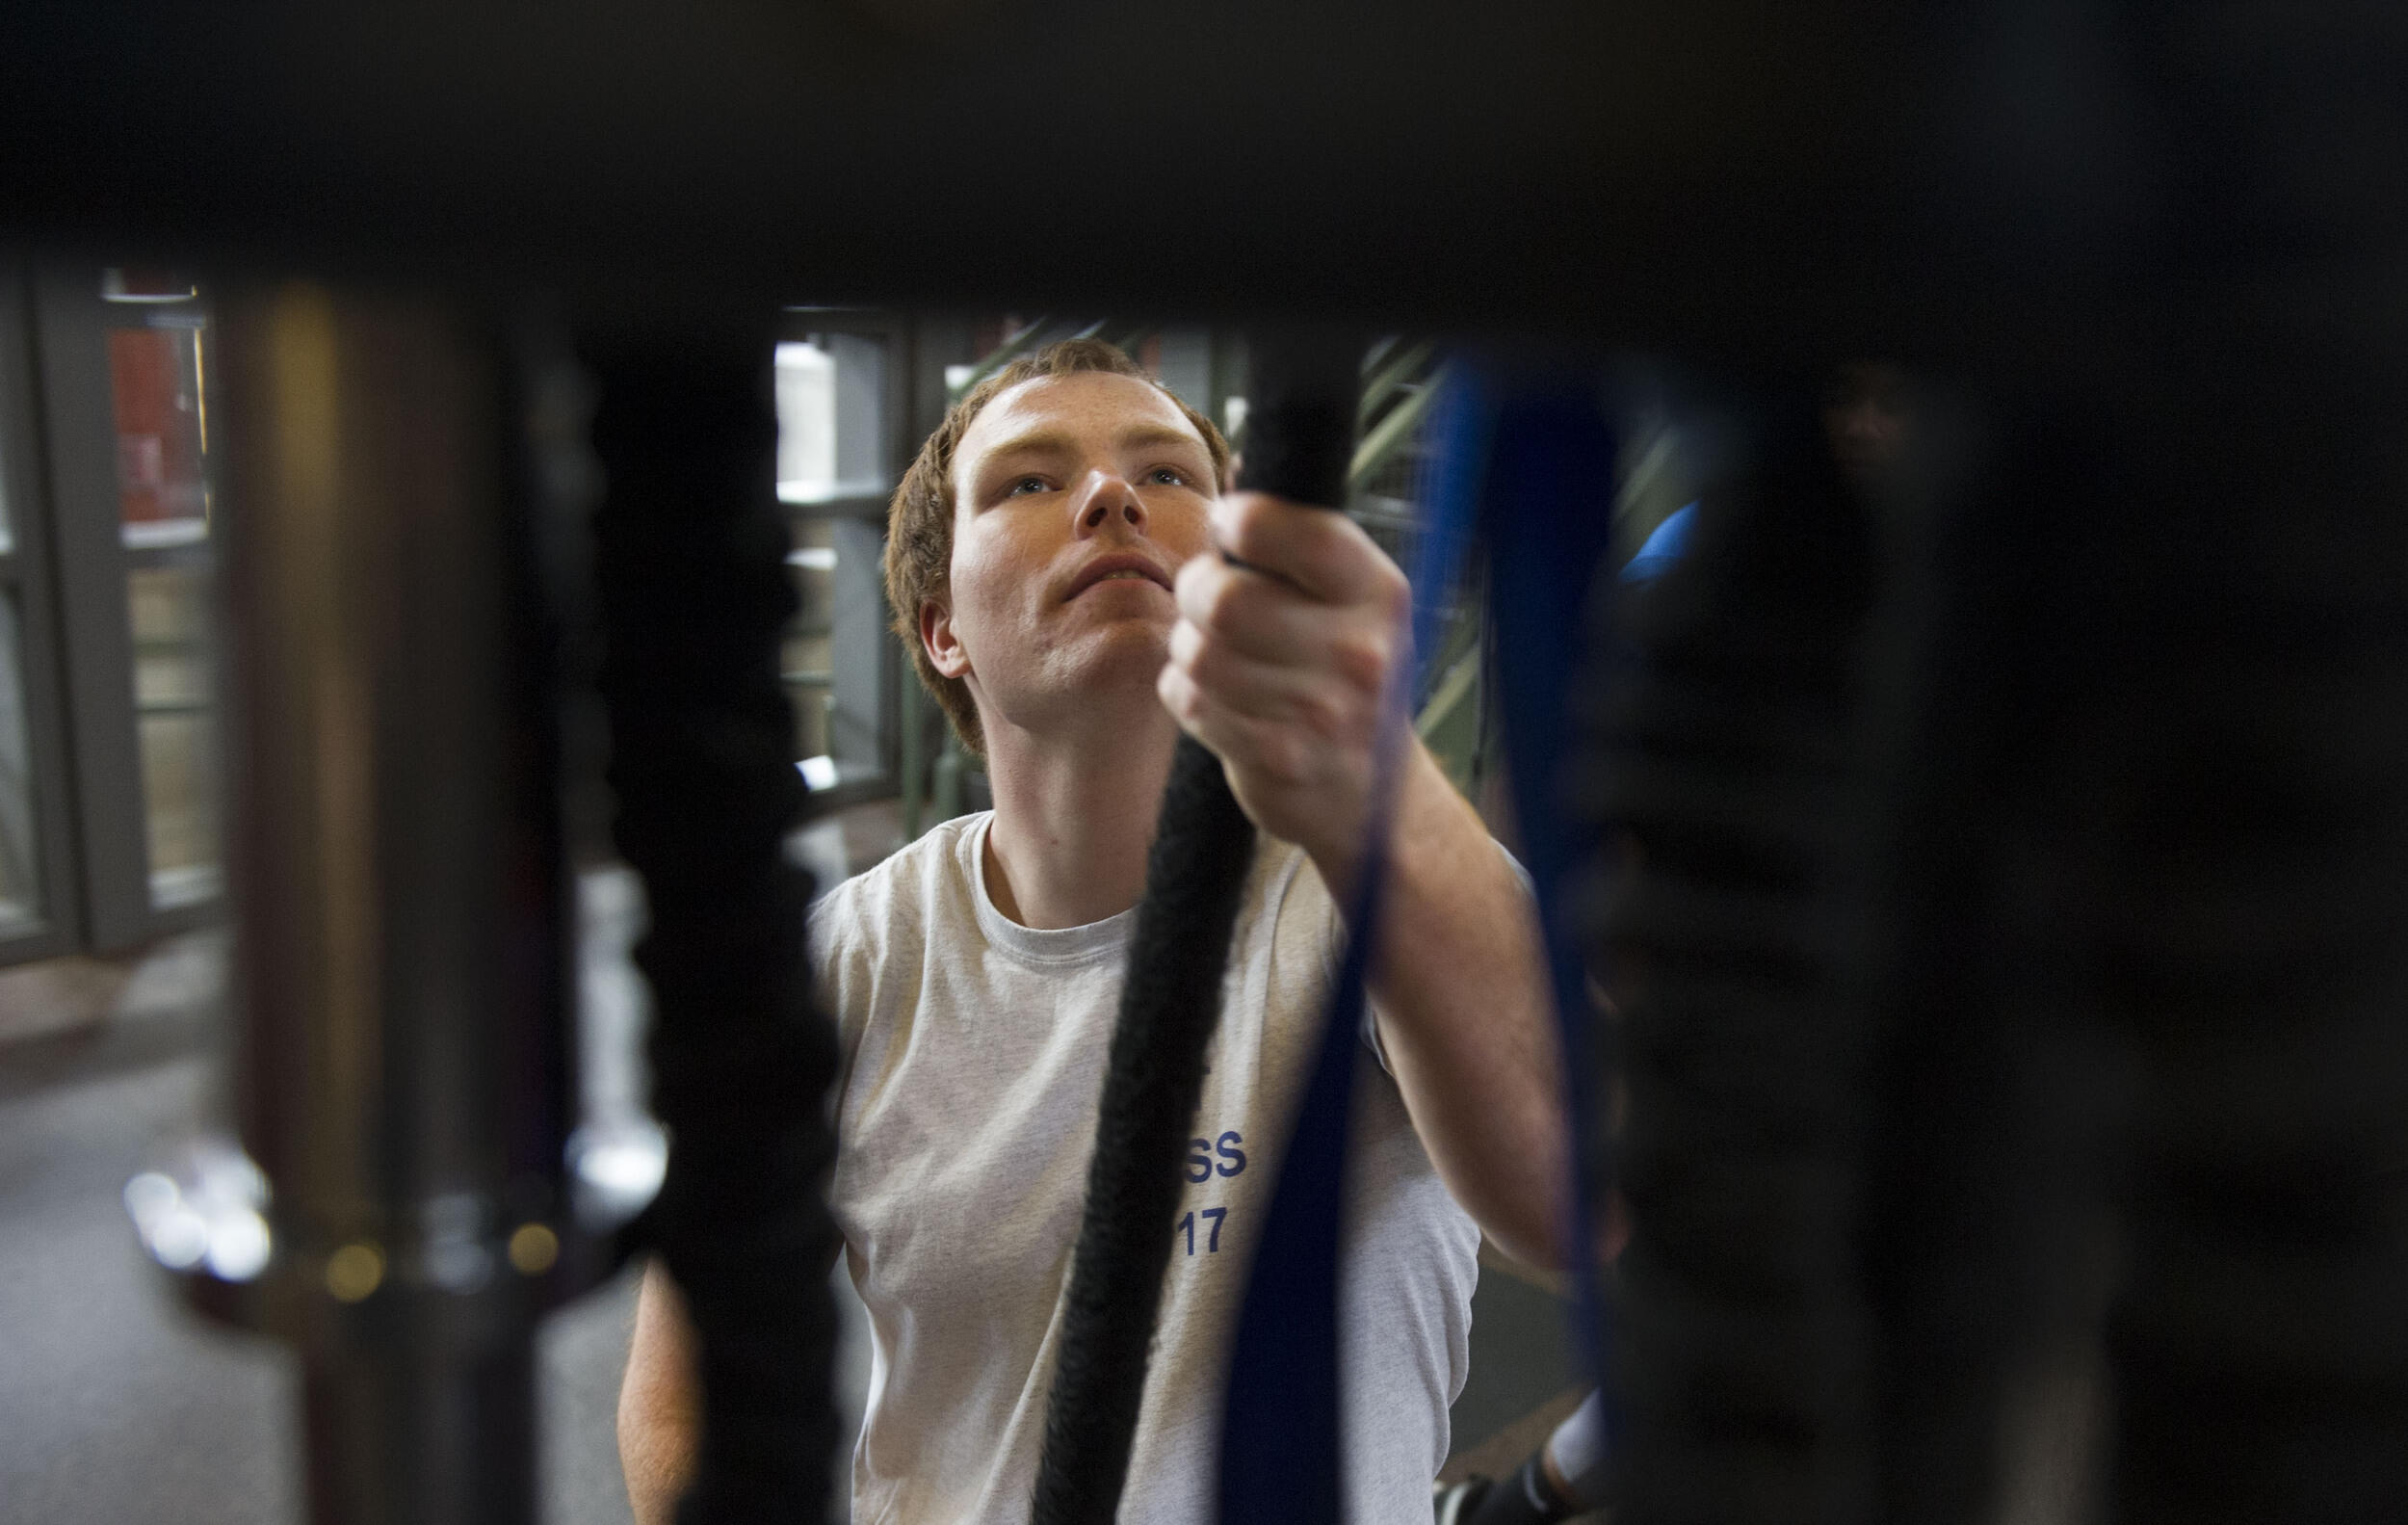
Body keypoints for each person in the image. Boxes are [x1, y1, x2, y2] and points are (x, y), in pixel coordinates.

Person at [617, 339, 1566, 1524]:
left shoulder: (1364, 887)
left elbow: (1573, 1195)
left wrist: (1378, 785)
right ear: (941, 629)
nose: (1112, 497)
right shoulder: (846, 959)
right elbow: (682, 1386)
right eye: (1028, 481)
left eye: (1169, 475)